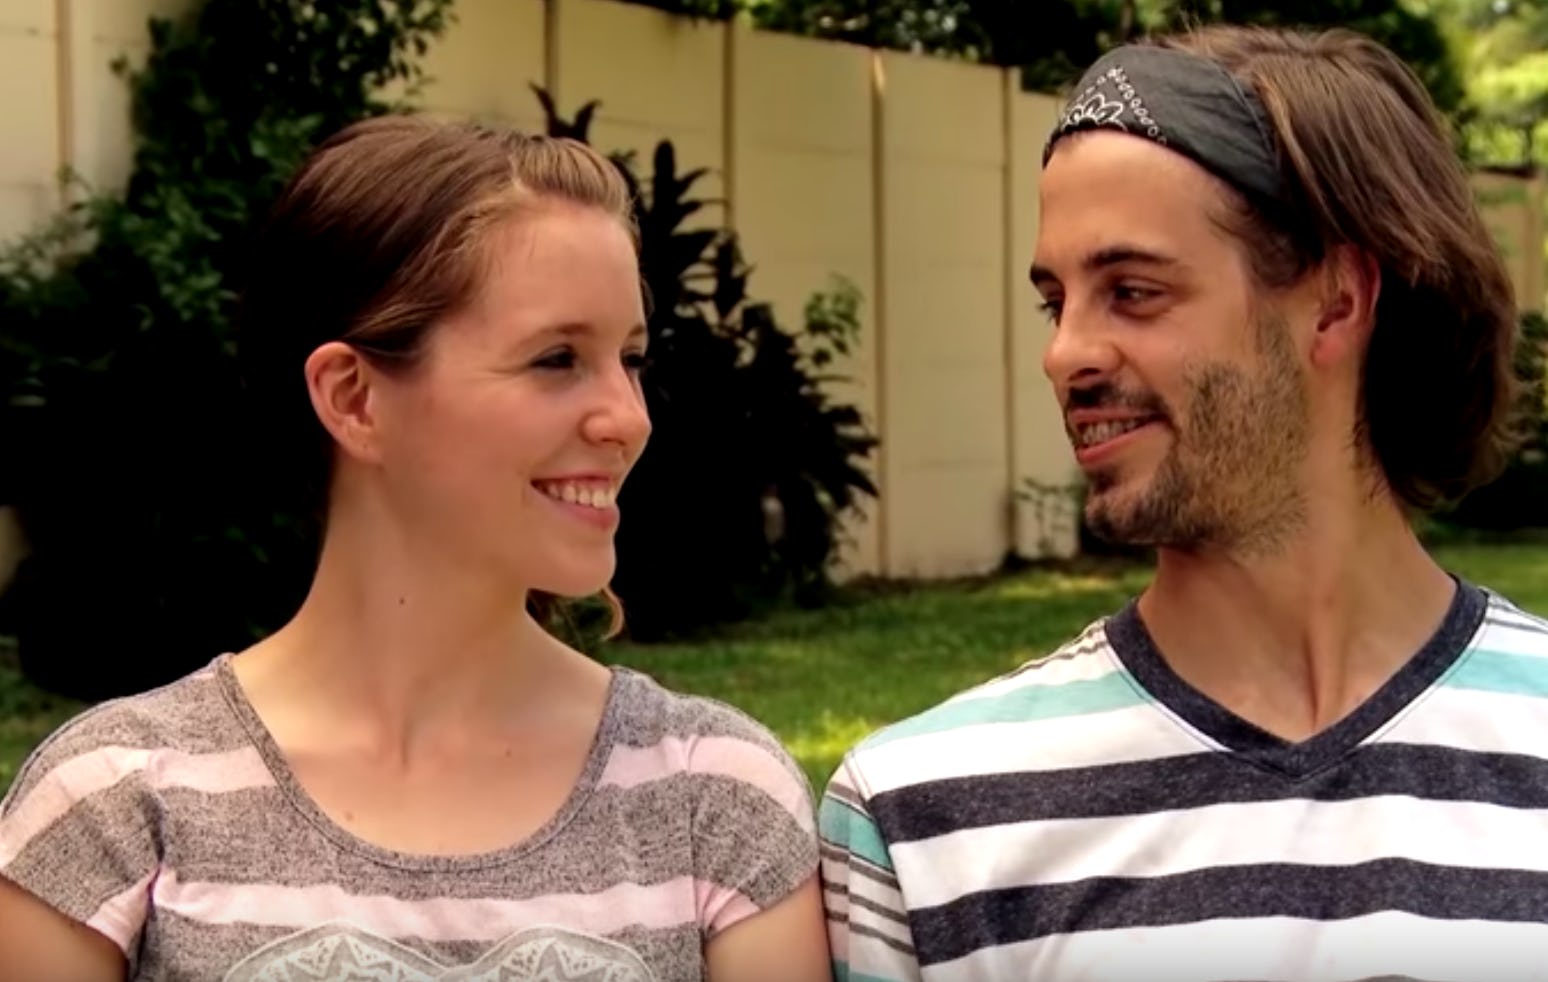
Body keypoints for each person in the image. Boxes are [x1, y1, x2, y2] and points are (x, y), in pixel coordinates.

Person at [0, 116, 829, 982]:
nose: (629, 418)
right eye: (557, 358)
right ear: (354, 398)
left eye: (630, 359)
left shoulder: (713, 799)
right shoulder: (113, 807)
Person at [821, 24, 1548, 982]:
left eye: (1132, 291)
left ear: (1336, 301)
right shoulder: (925, 825)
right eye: (1056, 302)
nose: (1065, 354)